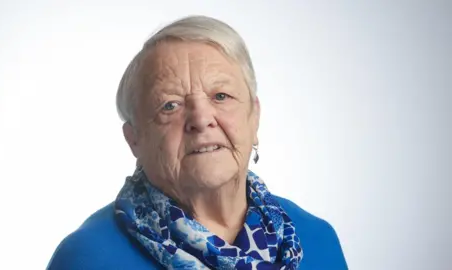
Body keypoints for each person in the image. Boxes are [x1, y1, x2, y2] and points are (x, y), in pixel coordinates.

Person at [47, 15, 348, 270]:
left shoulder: (316, 240)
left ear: (253, 118)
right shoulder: (87, 257)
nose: (201, 119)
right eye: (170, 105)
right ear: (134, 139)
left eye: (221, 96)